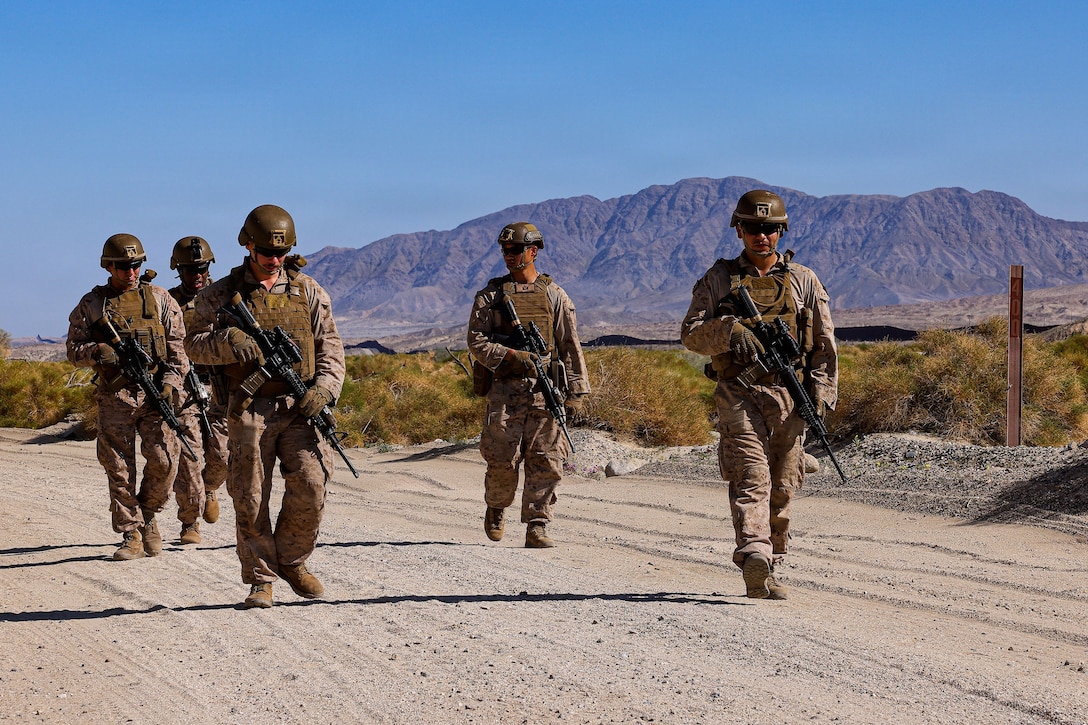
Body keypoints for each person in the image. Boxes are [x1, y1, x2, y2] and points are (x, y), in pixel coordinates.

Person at [184, 205, 346, 609]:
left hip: (299, 405)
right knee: (250, 495)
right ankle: (261, 579)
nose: (274, 260)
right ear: (248, 246)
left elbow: (330, 350)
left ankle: (293, 562)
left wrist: (324, 389)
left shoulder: (309, 291)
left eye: (281, 252)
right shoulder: (219, 294)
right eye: (265, 252)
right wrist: (229, 342)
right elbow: (190, 343)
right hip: (248, 408)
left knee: (311, 483)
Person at [680, 190, 838, 600]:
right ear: (739, 230)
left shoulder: (804, 280)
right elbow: (690, 335)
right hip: (738, 392)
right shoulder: (718, 279)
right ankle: (754, 552)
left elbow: (823, 345)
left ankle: (773, 564)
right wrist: (728, 330)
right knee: (751, 474)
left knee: (784, 482)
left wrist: (820, 394)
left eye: (769, 229)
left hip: (790, 394)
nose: (761, 236)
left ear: (781, 231)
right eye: (753, 228)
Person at [467, 222, 590, 548]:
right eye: (505, 251)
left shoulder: (554, 295)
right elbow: (475, 342)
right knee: (502, 460)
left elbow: (570, 344)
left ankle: (537, 525)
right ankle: (496, 505)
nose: (508, 256)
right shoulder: (491, 297)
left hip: (545, 390)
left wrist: (576, 391)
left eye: (515, 250)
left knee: (546, 458)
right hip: (505, 391)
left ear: (533, 252)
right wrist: (510, 355)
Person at [67, 234, 188, 561]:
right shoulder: (92, 305)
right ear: (108, 266)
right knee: (118, 468)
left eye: (135, 265)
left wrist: (171, 384)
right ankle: (130, 533)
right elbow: (73, 351)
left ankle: (148, 513)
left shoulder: (161, 299)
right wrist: (97, 350)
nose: (130, 271)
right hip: (114, 396)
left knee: (164, 460)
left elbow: (178, 351)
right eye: (122, 266)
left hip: (154, 395)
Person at [166, 236, 230, 545]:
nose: (197, 275)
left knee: (222, 451)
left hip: (220, 387)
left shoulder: (226, 296)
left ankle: (210, 488)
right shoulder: (166, 303)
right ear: (179, 270)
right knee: (188, 456)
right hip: (183, 389)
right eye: (190, 270)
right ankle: (190, 521)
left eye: (202, 268)